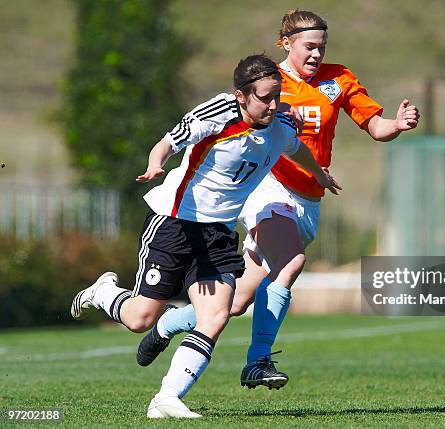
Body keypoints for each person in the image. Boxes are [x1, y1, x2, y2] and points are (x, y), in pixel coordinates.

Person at [136, 9, 420, 390]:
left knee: (236, 303)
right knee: (292, 260)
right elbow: (235, 121)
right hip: (267, 189)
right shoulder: (269, 82)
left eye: (322, 46)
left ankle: (169, 322)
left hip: (309, 198)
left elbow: (375, 127)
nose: (317, 54)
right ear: (286, 43)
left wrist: (397, 125)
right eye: (309, 46)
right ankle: (258, 361)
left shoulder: (339, 79)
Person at [70, 53, 340, 418]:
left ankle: (166, 399)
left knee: (215, 315)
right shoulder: (217, 114)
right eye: (265, 97)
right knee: (140, 319)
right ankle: (103, 292)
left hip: (218, 233)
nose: (274, 105)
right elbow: (168, 142)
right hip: (173, 223)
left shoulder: (280, 124)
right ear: (241, 95)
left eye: (277, 95)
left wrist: (319, 175)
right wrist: (156, 163)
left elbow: (297, 149)